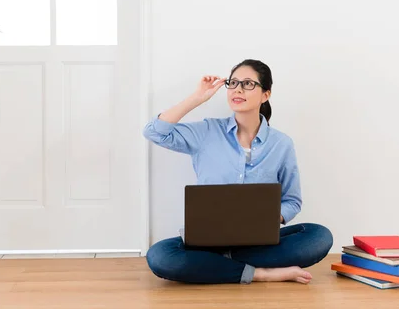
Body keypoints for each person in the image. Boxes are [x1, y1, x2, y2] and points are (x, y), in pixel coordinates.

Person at [142, 59, 333, 285]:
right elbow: (155, 132)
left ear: (266, 94)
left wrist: (268, 217)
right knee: (160, 256)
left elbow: (292, 200)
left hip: (259, 242)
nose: (238, 89)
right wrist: (197, 98)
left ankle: (217, 265)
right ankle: (260, 273)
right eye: (233, 83)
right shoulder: (207, 131)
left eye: (248, 84)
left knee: (319, 237)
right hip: (207, 241)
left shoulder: (281, 144)